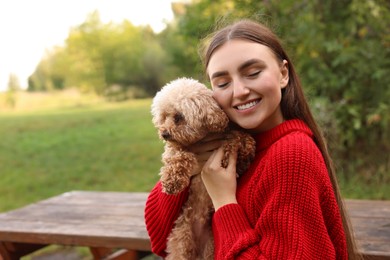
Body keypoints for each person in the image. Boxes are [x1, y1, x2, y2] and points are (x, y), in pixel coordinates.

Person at [145, 19, 361, 259]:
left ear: (283, 74)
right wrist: (192, 169)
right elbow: (159, 237)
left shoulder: (291, 154)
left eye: (253, 73)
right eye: (223, 83)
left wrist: (225, 202)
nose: (239, 91)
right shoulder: (221, 146)